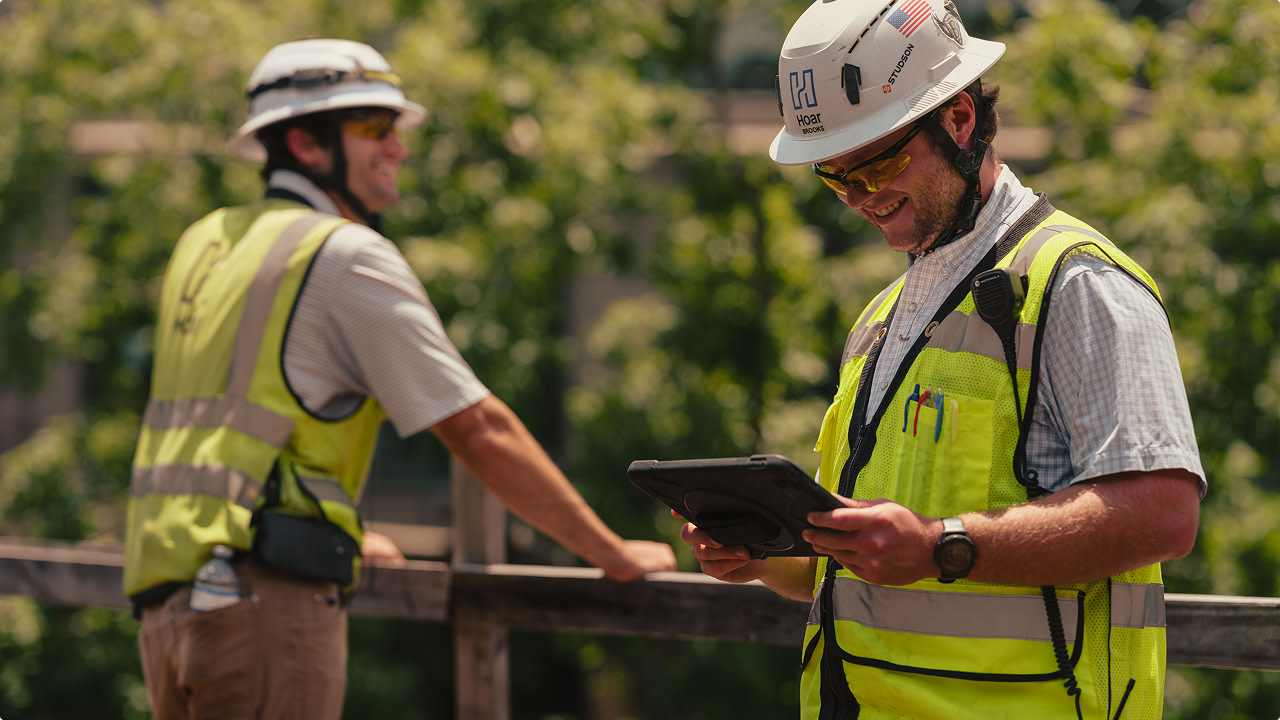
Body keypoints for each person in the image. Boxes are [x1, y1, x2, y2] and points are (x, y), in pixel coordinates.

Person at [124, 38, 676, 720]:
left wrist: (342, 528)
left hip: (167, 607)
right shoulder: (343, 254)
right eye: (372, 128)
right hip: (263, 606)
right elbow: (477, 430)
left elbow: (246, 430)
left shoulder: (206, 242)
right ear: (305, 143)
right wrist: (612, 553)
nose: (398, 148)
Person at [680, 1, 1205, 718]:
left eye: (878, 161)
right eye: (834, 177)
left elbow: (1164, 515)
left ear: (960, 120)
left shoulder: (1077, 285)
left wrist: (941, 547)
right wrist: (762, 559)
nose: (859, 197)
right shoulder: (878, 322)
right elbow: (866, 565)